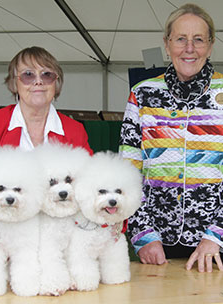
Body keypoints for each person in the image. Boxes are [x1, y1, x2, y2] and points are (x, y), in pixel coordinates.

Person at [0, 46, 93, 248]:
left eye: (47, 75)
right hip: (4, 236)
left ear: (56, 83)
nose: (38, 81)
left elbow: (95, 184)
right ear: (14, 83)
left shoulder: (74, 131)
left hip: (57, 239)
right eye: (28, 75)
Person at [119, 3, 223, 273]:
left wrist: (216, 237)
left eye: (198, 39)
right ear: (167, 44)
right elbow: (127, 172)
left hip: (216, 247)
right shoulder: (142, 95)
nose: (189, 48)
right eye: (180, 39)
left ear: (210, 45)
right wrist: (143, 236)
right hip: (158, 247)